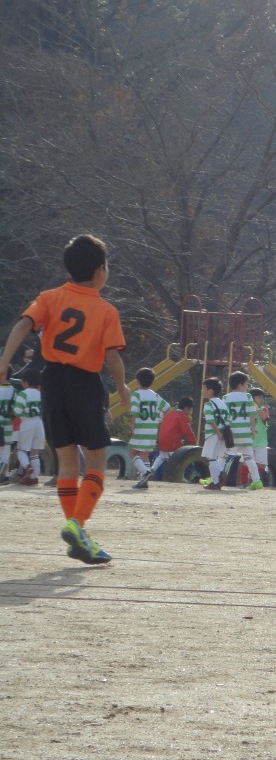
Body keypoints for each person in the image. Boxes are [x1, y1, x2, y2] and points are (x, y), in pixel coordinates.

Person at [0, 234, 131, 563]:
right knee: (97, 461)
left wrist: (4, 362)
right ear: (100, 271)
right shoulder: (105, 310)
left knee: (67, 462)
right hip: (85, 383)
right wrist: (122, 386)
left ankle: (78, 537)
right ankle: (77, 523)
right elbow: (112, 356)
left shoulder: (49, 297)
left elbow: (23, 325)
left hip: (53, 382)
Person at [128, 367, 170, 489]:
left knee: (132, 452)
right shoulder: (154, 395)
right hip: (152, 429)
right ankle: (144, 481)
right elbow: (167, 408)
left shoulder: (136, 394)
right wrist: (160, 419)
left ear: (137, 381)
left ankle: (145, 472)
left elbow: (133, 411)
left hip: (140, 428)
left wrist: (132, 426)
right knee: (144, 454)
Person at [224, 371, 263, 490]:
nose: (247, 386)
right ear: (240, 385)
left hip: (232, 433)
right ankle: (257, 481)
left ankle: (219, 478)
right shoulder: (248, 397)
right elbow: (252, 415)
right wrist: (252, 430)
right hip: (245, 433)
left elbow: (224, 416)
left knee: (226, 456)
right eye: (246, 384)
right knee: (248, 457)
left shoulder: (225, 398)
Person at [148, 396, 196, 481]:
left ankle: (151, 470)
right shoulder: (182, 416)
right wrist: (194, 443)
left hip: (162, 441)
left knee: (162, 456)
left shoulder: (169, 414)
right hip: (172, 443)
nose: (190, 412)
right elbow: (187, 432)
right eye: (190, 410)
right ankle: (182, 477)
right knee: (181, 458)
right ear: (186, 408)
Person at [12, 366, 46, 486]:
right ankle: (33, 477)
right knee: (34, 453)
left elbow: (17, 412)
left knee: (21, 450)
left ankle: (27, 467)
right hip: (39, 424)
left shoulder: (23, 394)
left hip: (27, 424)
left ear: (26, 382)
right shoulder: (41, 394)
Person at [199, 377, 230, 490]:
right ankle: (219, 477)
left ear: (210, 391)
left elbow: (211, 421)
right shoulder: (223, 404)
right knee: (217, 457)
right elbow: (228, 420)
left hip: (213, 434)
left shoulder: (208, 404)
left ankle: (217, 480)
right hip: (223, 433)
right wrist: (223, 433)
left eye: (204, 388)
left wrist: (217, 433)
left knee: (211, 458)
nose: (202, 391)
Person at [249, 388, 271, 487]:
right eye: (259, 397)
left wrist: (256, 408)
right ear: (252, 399)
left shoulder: (264, 409)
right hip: (249, 441)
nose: (262, 400)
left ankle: (254, 479)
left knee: (262, 464)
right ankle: (243, 483)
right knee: (245, 462)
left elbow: (263, 417)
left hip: (261, 442)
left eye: (263, 398)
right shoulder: (248, 409)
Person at [0, 372, 15, 480]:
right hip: (8, 422)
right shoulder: (13, 390)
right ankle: (5, 474)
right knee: (7, 447)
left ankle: (1, 466)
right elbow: (15, 408)